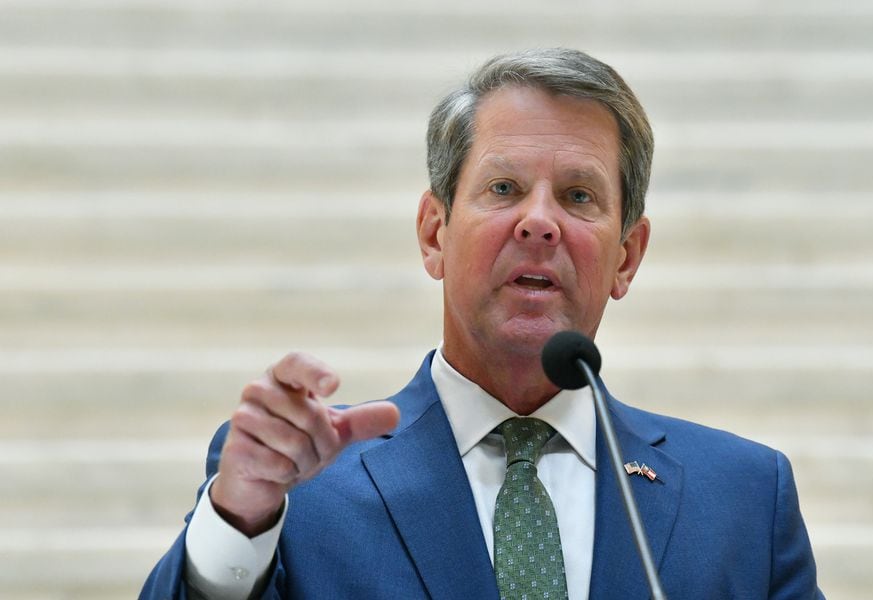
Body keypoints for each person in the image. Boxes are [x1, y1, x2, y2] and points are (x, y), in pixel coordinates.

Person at [141, 48, 824, 600]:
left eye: (578, 196)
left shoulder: (742, 500)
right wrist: (238, 519)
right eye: (503, 189)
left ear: (627, 257)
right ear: (434, 234)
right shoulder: (300, 487)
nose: (539, 221)